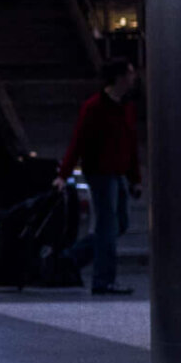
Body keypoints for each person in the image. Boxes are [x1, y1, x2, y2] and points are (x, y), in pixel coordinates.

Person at [61, 58, 142, 295]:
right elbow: (79, 141)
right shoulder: (95, 107)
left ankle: (73, 257)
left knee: (119, 223)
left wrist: (135, 177)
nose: (133, 77)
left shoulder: (126, 107)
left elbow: (131, 144)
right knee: (108, 224)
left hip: (118, 172)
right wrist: (64, 173)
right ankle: (103, 279)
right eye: (129, 73)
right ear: (119, 77)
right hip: (100, 172)